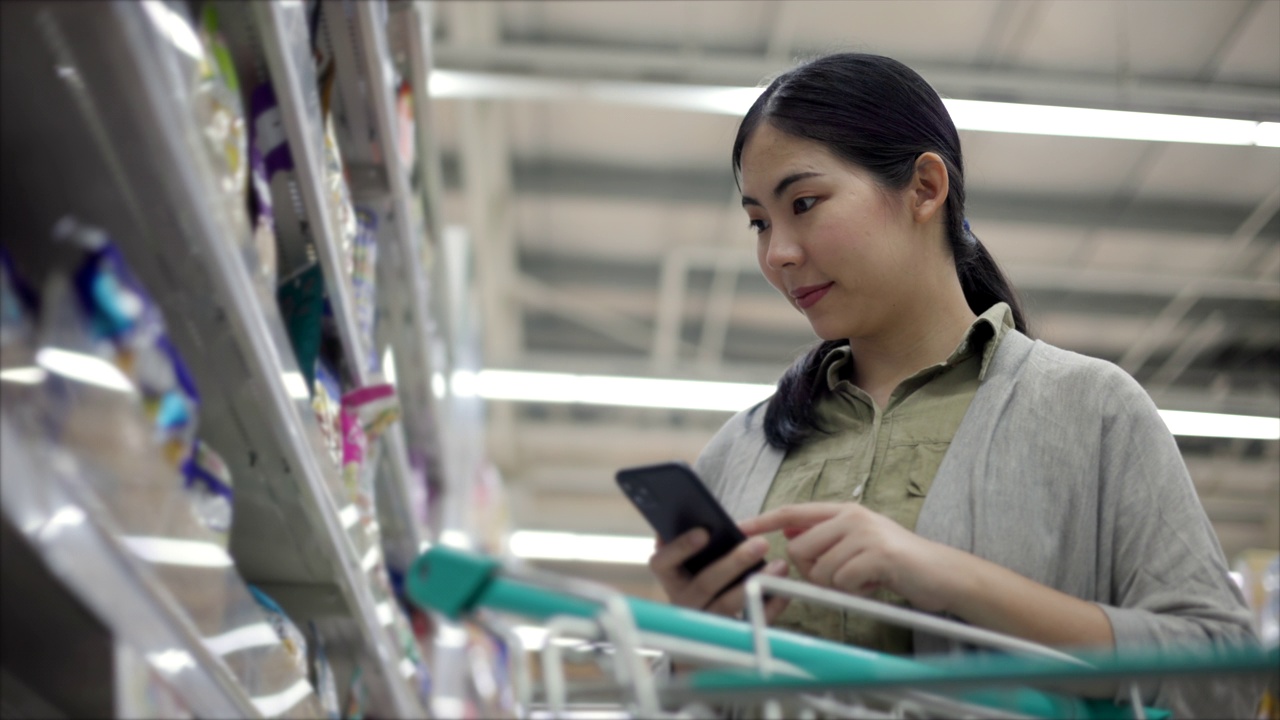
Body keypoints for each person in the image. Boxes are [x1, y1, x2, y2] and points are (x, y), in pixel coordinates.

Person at [646, 53, 1261, 718]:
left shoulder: (1090, 411)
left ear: (925, 188)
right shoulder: (739, 450)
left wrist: (943, 574)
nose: (778, 254)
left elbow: (1221, 672)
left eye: (804, 204)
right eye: (760, 222)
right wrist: (690, 649)